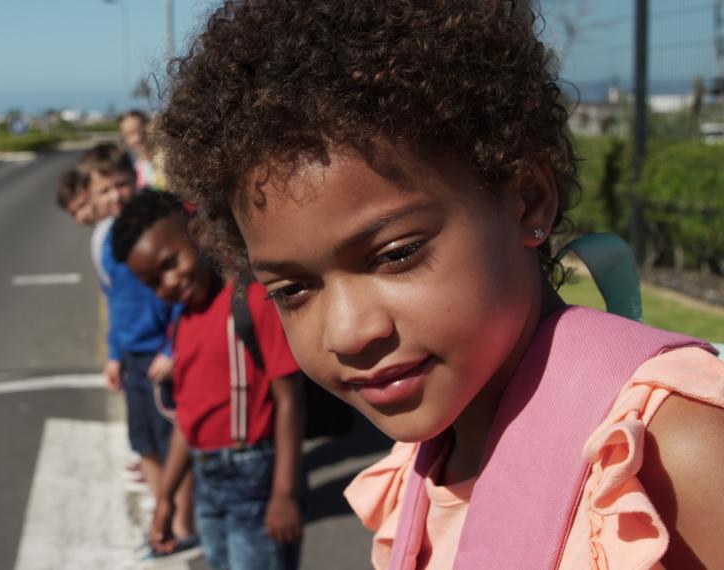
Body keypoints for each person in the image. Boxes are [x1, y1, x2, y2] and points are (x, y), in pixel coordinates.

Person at [156, 1, 724, 568]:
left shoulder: (673, 450)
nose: (349, 333)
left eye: (398, 254)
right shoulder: (423, 461)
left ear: (528, 197)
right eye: (292, 291)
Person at [112, 191, 306, 570]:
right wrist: (166, 498)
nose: (168, 283)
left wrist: (285, 493)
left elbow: (289, 399)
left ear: (198, 232)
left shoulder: (248, 300)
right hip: (207, 480)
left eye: (170, 263)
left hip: (257, 478)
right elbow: (188, 418)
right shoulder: (185, 323)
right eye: (153, 282)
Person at [76, 143, 198, 559]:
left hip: (164, 357)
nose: (116, 196)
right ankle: (159, 516)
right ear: (91, 197)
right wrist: (113, 354)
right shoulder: (101, 240)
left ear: (135, 181)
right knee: (143, 443)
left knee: (174, 444)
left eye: (122, 185)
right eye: (105, 191)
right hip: (132, 359)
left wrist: (172, 348)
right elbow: (110, 301)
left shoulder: (157, 226)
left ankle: (182, 524)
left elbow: (186, 292)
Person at [119, 110, 164, 192]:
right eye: (130, 134)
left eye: (141, 130)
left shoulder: (168, 160)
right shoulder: (133, 168)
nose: (138, 137)